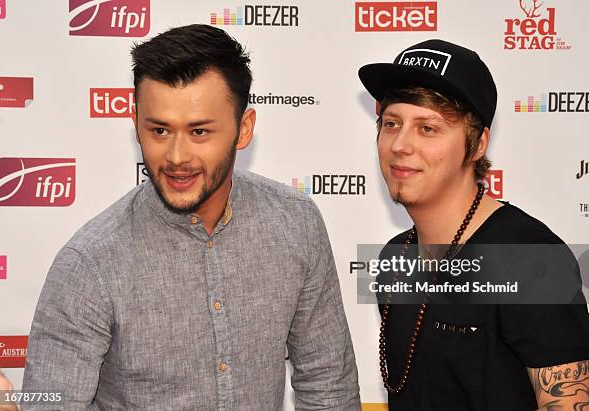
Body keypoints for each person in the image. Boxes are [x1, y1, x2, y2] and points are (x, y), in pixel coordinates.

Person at [21, 24, 360, 410]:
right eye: (160, 130)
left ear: (244, 128)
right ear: (136, 127)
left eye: (199, 131)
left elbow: (327, 385)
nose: (177, 156)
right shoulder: (90, 264)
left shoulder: (295, 224)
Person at [358, 39, 589, 410]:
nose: (400, 145)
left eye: (428, 128)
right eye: (391, 123)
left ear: (477, 144)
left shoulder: (531, 259)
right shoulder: (394, 259)